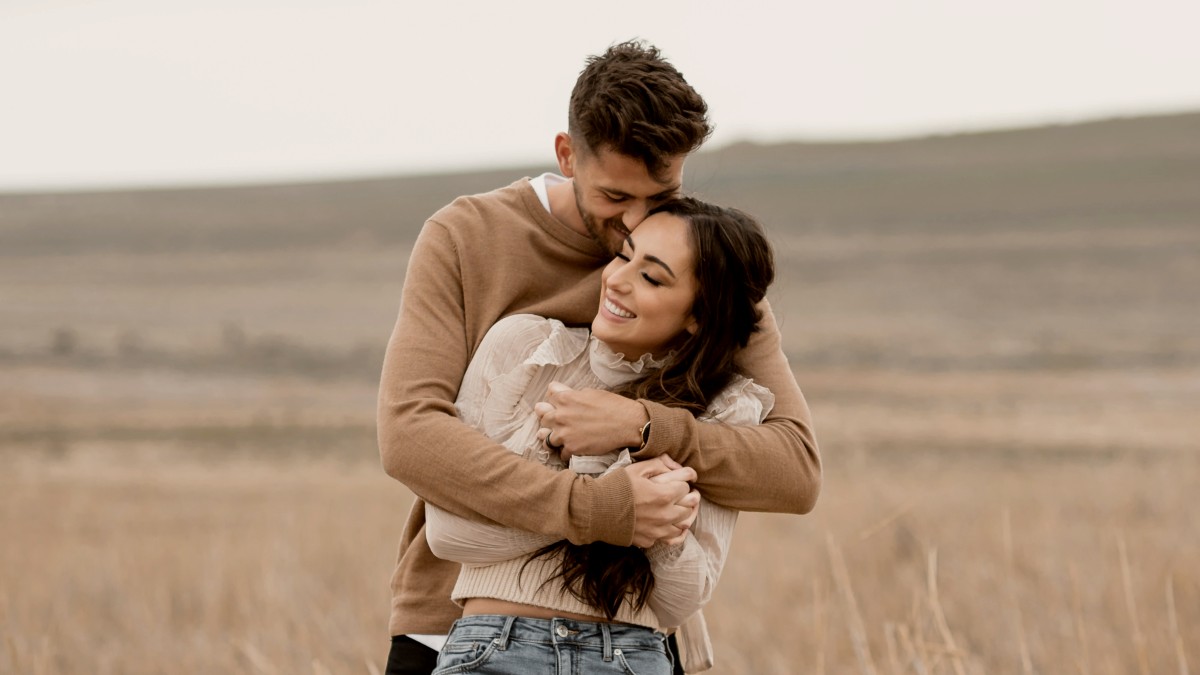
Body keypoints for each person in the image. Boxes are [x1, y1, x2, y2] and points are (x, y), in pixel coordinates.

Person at [378, 40, 821, 675]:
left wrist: (641, 429)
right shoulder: (467, 236)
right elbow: (409, 435)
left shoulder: (703, 271)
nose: (635, 222)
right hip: (451, 627)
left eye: (661, 192)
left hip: (633, 637)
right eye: (615, 197)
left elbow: (795, 469)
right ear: (567, 155)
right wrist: (600, 509)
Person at [423, 197, 776, 674]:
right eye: (624, 255)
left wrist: (654, 525)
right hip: (494, 648)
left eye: (651, 277)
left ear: (698, 315)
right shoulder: (526, 349)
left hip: (629, 657)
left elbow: (683, 598)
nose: (617, 280)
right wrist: (604, 492)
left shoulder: (724, 405)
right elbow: (451, 534)